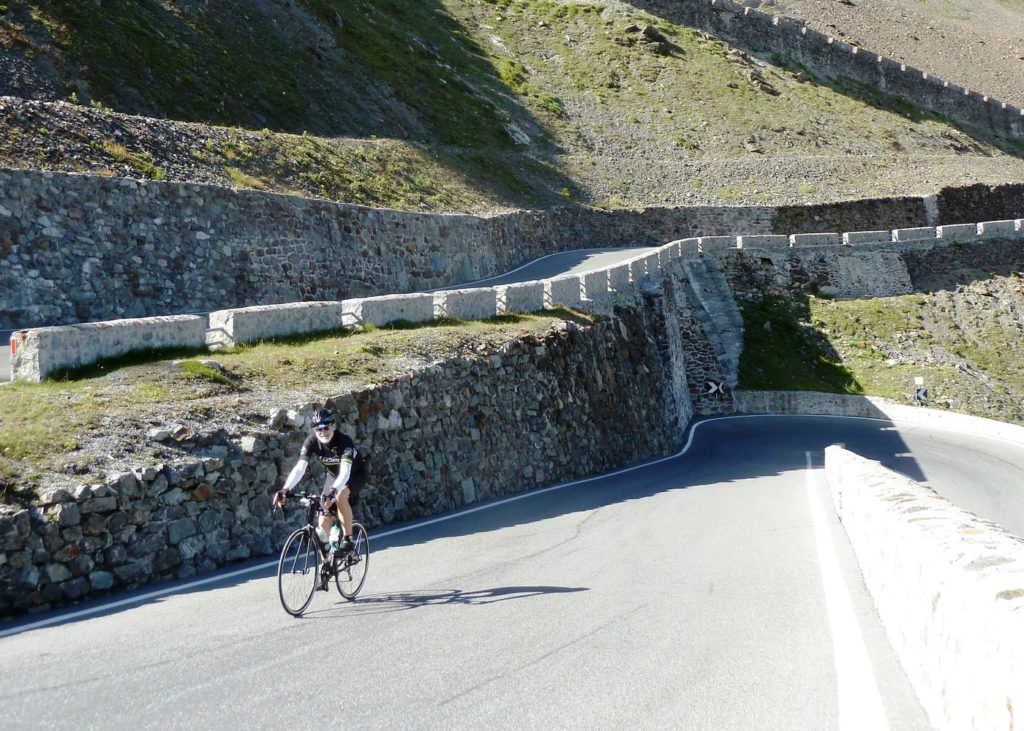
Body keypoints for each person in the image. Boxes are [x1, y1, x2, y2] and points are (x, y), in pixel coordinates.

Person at [272, 407, 368, 559]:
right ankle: (327, 566)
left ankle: (348, 541)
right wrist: (285, 489)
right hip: (334, 475)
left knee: (340, 496)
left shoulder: (344, 442)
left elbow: (345, 473)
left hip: (354, 473)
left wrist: (334, 490)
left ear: (334, 426)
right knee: (323, 521)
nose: (322, 432)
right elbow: (300, 468)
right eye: (318, 429)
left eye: (325, 427)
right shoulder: (311, 441)